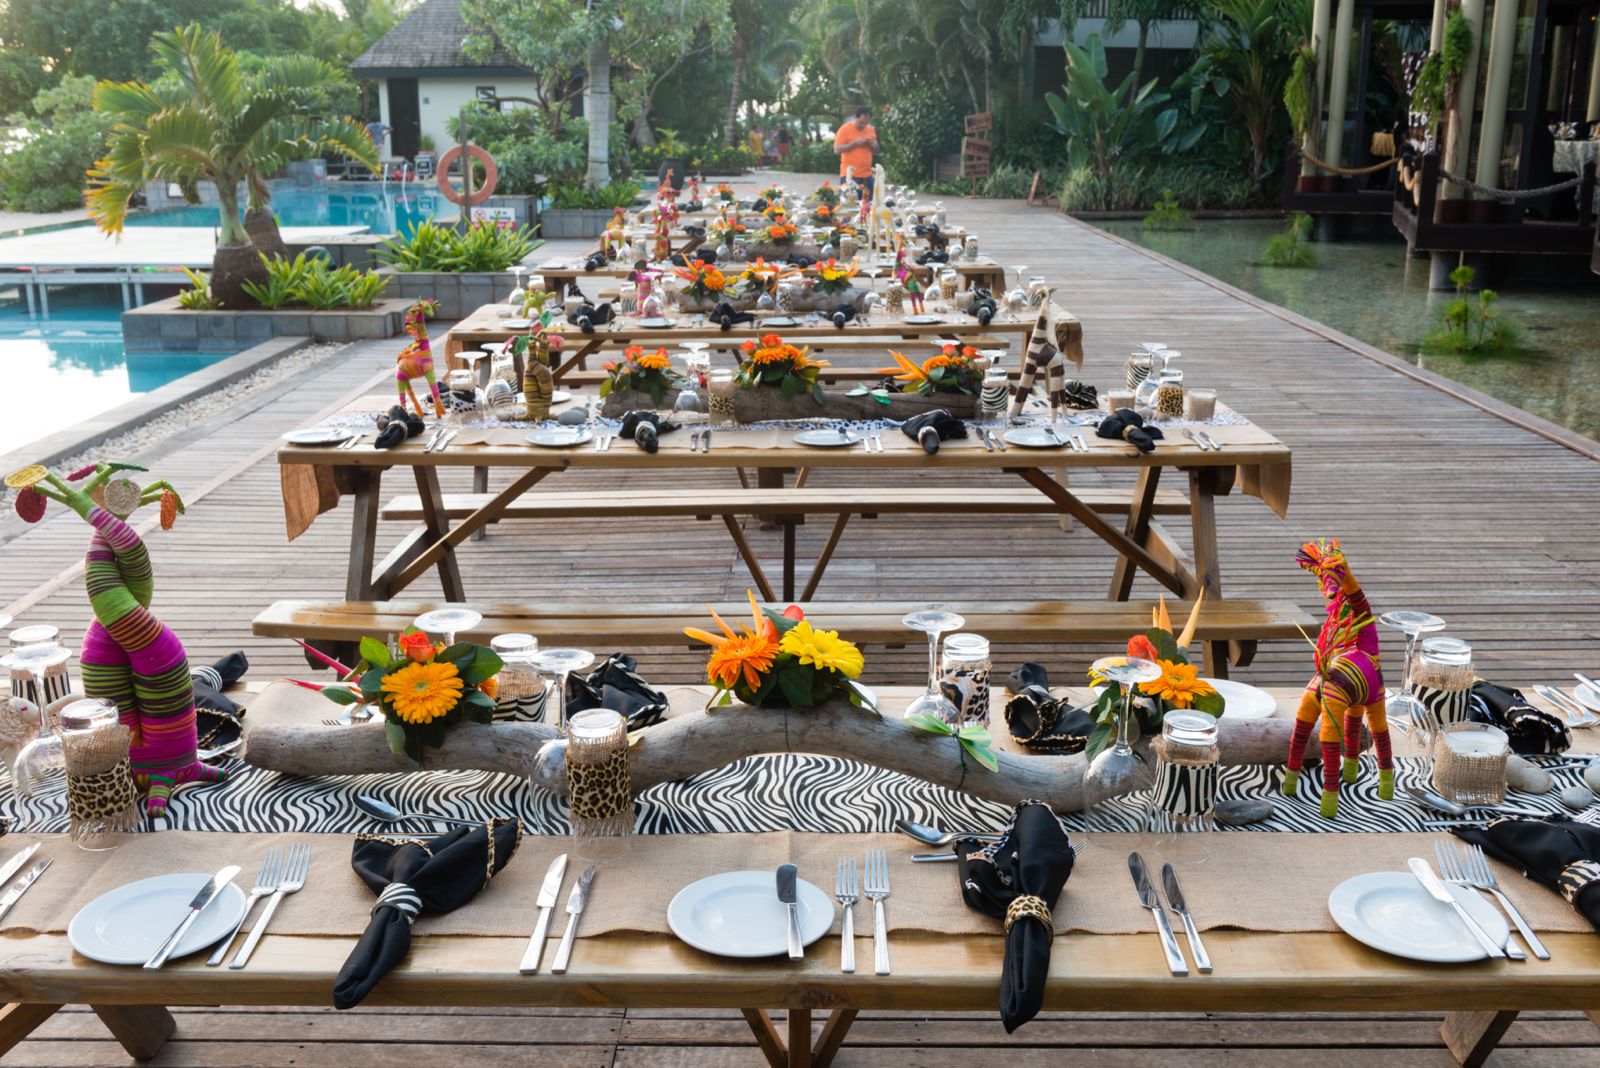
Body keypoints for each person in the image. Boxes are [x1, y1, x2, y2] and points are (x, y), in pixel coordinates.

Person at [833, 106, 878, 200]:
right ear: (855, 117)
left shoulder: (870, 129)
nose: (863, 126)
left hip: (867, 176)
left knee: (868, 207)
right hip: (850, 176)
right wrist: (854, 143)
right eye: (861, 123)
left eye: (866, 123)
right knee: (850, 207)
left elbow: (876, 151)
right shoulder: (844, 129)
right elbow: (836, 150)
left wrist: (874, 145)